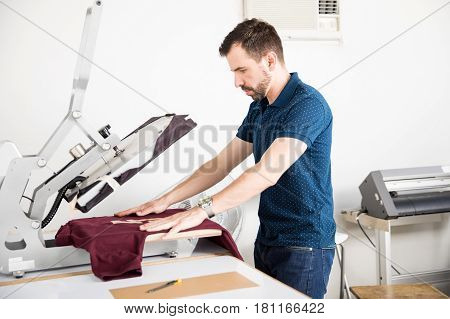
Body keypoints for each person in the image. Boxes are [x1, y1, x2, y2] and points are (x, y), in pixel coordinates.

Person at [115, 18, 336, 299]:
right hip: (268, 238)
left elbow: (267, 172)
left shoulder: (307, 105)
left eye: (242, 70)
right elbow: (219, 166)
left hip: (305, 245)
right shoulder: (260, 108)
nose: (236, 82)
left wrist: (202, 209)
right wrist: (164, 201)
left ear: (269, 60)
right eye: (233, 71)